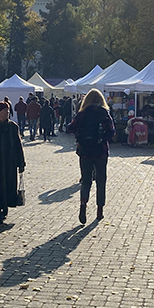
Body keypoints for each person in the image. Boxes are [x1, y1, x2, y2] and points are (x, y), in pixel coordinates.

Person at [68, 88, 116, 224]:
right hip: (101, 151)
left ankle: (83, 203)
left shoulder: (82, 114)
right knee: (101, 181)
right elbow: (112, 131)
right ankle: (99, 210)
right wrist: (102, 137)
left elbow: (70, 128)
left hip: (84, 151)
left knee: (86, 181)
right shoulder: (104, 113)